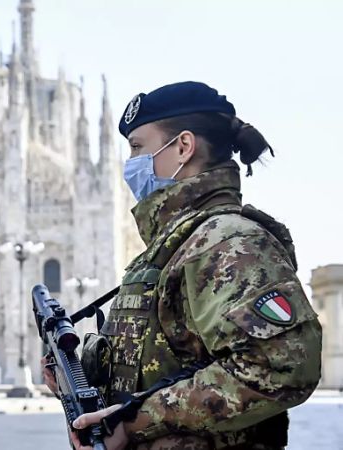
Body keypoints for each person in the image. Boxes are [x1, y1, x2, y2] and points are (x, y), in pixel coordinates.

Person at [44, 81, 322, 449]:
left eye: (138, 148)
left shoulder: (226, 240)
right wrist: (76, 380)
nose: (131, 164)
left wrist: (133, 423)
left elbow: (282, 367)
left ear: (182, 147)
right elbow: (163, 364)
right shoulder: (177, 244)